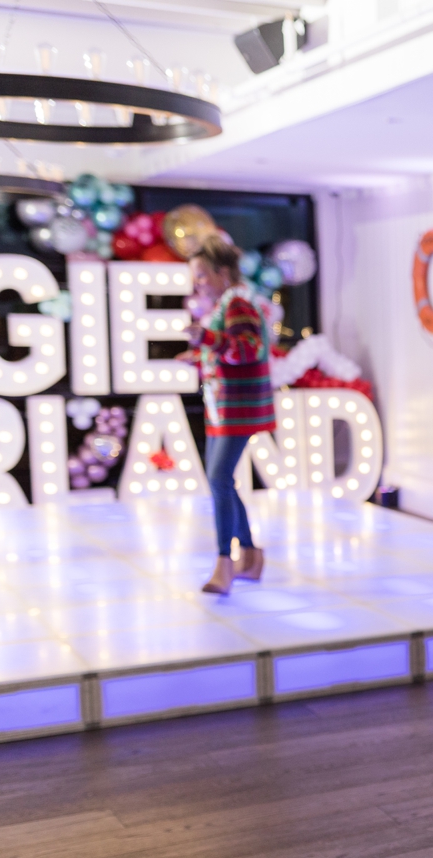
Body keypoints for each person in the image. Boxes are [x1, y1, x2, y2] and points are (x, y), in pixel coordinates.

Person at [178, 237, 276, 595]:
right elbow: (233, 350)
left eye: (202, 275)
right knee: (221, 480)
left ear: (222, 273)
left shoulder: (236, 302)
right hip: (227, 409)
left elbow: (247, 350)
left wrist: (207, 339)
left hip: (238, 410)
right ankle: (248, 557)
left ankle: (225, 561)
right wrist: (202, 352)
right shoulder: (229, 303)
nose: (198, 283)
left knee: (219, 480)